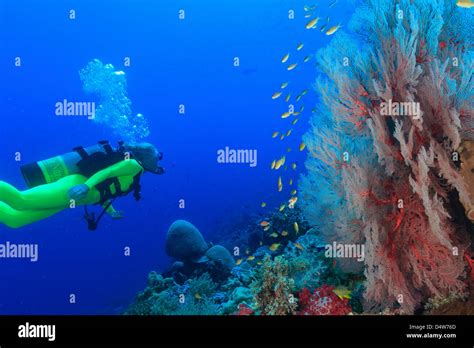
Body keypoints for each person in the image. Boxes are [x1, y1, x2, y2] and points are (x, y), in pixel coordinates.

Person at [0, 141, 164, 229]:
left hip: (75, 197)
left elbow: (105, 191)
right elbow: (106, 173)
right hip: (75, 186)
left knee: (16, 220)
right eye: (158, 155)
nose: (159, 158)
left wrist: (111, 212)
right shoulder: (134, 165)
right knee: (21, 201)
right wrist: (85, 186)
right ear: (147, 156)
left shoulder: (136, 175)